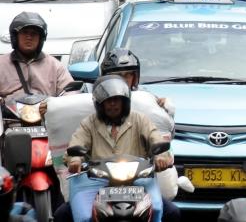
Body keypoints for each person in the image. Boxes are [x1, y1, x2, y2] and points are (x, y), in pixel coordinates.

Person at [60, 76, 177, 222]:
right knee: (66, 215)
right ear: (99, 104)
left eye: (117, 100)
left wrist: (161, 157)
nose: (112, 105)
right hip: (98, 181)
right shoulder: (88, 123)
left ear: (125, 102)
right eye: (108, 101)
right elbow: (76, 144)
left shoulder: (140, 120)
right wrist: (75, 160)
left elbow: (156, 138)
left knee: (170, 212)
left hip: (137, 180)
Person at [0, 12, 73, 100]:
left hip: (46, 112)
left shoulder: (55, 66)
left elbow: (71, 92)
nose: (29, 37)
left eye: (34, 34)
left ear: (41, 39)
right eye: (24, 32)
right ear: (15, 37)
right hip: (8, 112)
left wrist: (52, 105)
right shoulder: (2, 64)